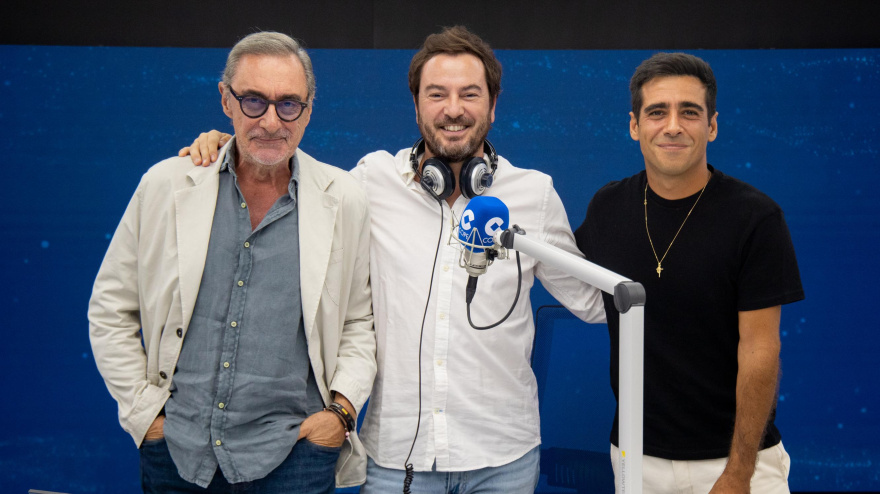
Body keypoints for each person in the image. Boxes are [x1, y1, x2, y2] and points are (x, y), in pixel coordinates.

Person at [182, 26, 605, 494]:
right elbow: (288, 176)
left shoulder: (535, 193)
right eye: (437, 94)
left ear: (493, 104)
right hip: (396, 461)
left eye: (470, 94)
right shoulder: (368, 180)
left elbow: (592, 302)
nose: (453, 109)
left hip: (504, 460)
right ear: (417, 104)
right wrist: (232, 145)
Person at [88, 31, 376, 493]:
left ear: (307, 111)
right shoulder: (165, 185)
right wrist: (146, 416)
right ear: (226, 100)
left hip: (295, 456)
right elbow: (109, 310)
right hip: (177, 453)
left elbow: (361, 322)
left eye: (288, 104)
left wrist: (340, 414)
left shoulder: (344, 199)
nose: (270, 121)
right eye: (254, 101)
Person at [574, 52, 804, 493]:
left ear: (712, 126)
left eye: (690, 112)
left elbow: (760, 352)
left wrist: (739, 473)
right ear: (634, 126)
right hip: (636, 461)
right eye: (657, 112)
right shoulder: (607, 208)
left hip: (737, 463)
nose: (673, 125)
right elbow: (558, 270)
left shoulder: (755, 218)